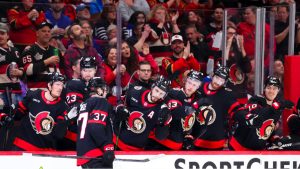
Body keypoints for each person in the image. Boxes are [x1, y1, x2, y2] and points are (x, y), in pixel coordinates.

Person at [10, 72, 74, 151]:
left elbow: (58, 135)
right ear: (49, 85)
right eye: (57, 84)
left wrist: (66, 120)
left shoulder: (63, 107)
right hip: (22, 146)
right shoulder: (33, 95)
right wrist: (11, 112)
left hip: (45, 152)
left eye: (62, 85)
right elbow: (17, 115)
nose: (60, 88)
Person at [229, 76, 294, 150]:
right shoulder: (256, 100)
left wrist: (273, 138)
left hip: (257, 150)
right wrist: (276, 106)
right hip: (239, 147)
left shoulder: (277, 106)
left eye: (274, 89)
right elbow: (259, 119)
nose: (271, 91)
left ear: (278, 90)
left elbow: (268, 125)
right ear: (264, 88)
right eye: (269, 88)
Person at [148, 70, 203, 150]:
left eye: (194, 85)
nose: (191, 87)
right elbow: (174, 115)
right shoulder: (172, 94)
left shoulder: (198, 98)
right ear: (185, 81)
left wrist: (191, 136)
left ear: (198, 87)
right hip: (160, 143)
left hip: (178, 146)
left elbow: (198, 122)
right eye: (189, 83)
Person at [113, 76, 172, 150]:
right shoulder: (136, 91)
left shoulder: (163, 110)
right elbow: (119, 101)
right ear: (152, 87)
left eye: (161, 94)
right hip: (116, 142)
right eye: (157, 91)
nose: (157, 95)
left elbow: (160, 137)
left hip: (136, 150)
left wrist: (163, 124)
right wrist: (119, 108)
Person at [191, 65, 241, 150]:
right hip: (196, 140)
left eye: (222, 80)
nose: (218, 82)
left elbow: (238, 112)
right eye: (217, 78)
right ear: (213, 75)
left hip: (216, 143)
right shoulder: (199, 88)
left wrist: (247, 116)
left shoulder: (226, 94)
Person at [77, 77, 115, 169]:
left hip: (84, 155)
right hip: (96, 154)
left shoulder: (84, 104)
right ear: (98, 90)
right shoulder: (101, 101)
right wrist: (106, 146)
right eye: (104, 89)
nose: (106, 92)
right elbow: (95, 126)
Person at [21, 21, 64, 90]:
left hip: (54, 91)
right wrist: (47, 62)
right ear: (37, 33)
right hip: (36, 90)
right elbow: (27, 70)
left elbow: (62, 70)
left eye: (49, 31)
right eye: (43, 31)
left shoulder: (55, 50)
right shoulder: (30, 50)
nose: (47, 33)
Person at [0, 22, 23, 108]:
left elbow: (21, 67)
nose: (0, 36)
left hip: (16, 90)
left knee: (17, 116)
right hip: (1, 91)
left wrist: (20, 72)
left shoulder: (15, 50)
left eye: (2, 33)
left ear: (7, 36)